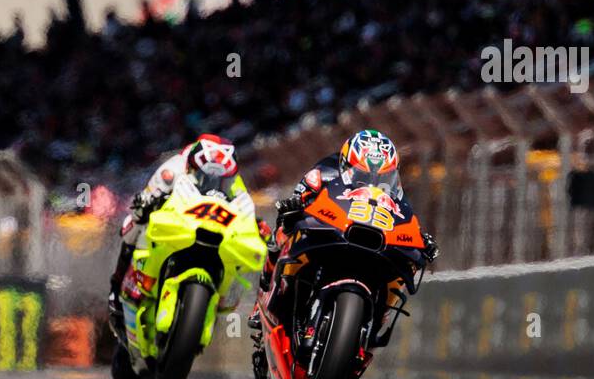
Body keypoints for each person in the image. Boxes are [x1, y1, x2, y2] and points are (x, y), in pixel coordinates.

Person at [256, 129, 438, 345]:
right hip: (333, 231)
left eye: (383, 177)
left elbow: (406, 217)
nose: (372, 181)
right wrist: (295, 205)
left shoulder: (396, 194)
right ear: (346, 164)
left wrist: (420, 240)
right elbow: (300, 196)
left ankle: (374, 324)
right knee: (284, 229)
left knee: (400, 273)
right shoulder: (323, 172)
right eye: (363, 175)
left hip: (372, 246)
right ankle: (265, 295)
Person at [107, 134, 249, 331]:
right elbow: (144, 199)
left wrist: (255, 227)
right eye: (205, 176)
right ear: (191, 167)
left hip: (211, 231)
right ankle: (116, 286)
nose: (212, 182)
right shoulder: (172, 170)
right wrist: (146, 203)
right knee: (134, 223)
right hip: (175, 225)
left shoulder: (235, 183)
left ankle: (218, 299)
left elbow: (246, 211)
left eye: (220, 179)